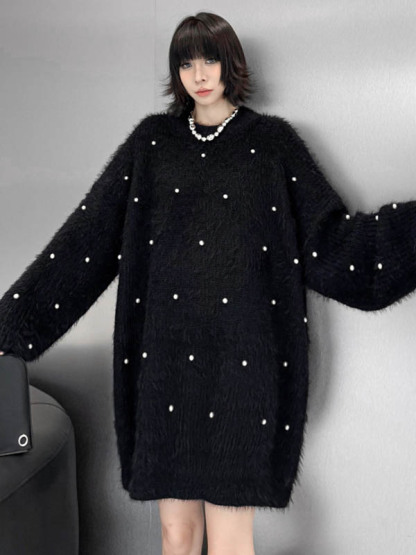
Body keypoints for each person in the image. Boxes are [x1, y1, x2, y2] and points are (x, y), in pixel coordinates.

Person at [1, 10, 415, 555]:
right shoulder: (151, 144)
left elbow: (332, 245)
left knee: (229, 540)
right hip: (164, 366)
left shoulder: (272, 145)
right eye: (186, 63)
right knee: (176, 536)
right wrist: (10, 326)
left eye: (210, 60)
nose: (199, 74)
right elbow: (87, 240)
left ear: (230, 63)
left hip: (244, 369)